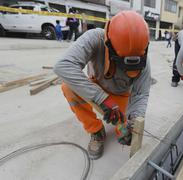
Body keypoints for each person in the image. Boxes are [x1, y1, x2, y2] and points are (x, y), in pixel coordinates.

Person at [54, 11, 151, 160]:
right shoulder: (94, 38)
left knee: (125, 129)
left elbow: (141, 93)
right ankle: (96, 131)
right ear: (108, 44)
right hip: (97, 88)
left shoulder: (142, 55)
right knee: (69, 88)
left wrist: (134, 120)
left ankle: (124, 126)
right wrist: (101, 98)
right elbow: (63, 66)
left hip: (123, 95)